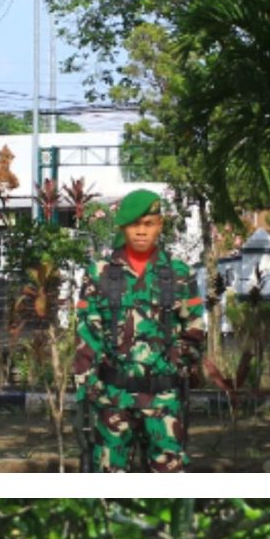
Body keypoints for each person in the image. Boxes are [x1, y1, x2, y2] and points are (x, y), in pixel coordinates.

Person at [72, 189, 205, 470]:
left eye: (149, 224)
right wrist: (88, 392)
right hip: (113, 398)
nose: (141, 232)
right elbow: (86, 334)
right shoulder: (100, 273)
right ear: (123, 227)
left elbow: (194, 329)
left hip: (164, 399)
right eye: (134, 225)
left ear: (160, 225)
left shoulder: (179, 273)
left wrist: (172, 362)